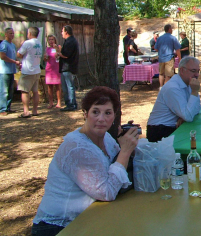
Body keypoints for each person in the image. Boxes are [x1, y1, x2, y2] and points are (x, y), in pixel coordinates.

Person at [31, 86, 139, 236]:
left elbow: (117, 170)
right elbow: (106, 192)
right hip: (58, 227)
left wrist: (128, 148)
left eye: (107, 113)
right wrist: (125, 151)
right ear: (85, 114)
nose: (101, 119)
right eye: (95, 112)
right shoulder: (76, 147)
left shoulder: (106, 138)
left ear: (114, 116)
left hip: (90, 218)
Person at [146, 56, 201, 142]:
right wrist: (195, 91)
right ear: (182, 70)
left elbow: (197, 108)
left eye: (198, 71)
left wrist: (183, 117)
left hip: (172, 127)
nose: (197, 74)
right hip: (159, 131)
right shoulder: (172, 88)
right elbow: (189, 116)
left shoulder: (189, 83)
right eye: (193, 71)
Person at [17, 27, 43, 118]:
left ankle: (26, 111)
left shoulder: (27, 43)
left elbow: (19, 54)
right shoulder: (39, 43)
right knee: (35, 91)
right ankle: (35, 110)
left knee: (24, 91)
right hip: (36, 70)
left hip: (28, 70)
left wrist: (21, 45)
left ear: (30, 34)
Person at [57, 25, 79, 111]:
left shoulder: (70, 41)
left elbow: (66, 55)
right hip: (66, 67)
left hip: (68, 67)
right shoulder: (70, 41)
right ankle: (69, 103)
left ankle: (71, 104)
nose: (61, 33)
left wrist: (58, 53)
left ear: (66, 32)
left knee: (69, 87)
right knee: (66, 87)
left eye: (62, 31)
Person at [0, 28, 20, 116]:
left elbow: (14, 56)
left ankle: (8, 107)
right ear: (6, 34)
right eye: (10, 33)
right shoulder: (4, 44)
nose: (12, 35)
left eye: (13, 33)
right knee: (4, 91)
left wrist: (17, 63)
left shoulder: (13, 45)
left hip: (11, 70)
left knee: (10, 90)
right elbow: (2, 56)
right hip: (4, 71)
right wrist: (14, 62)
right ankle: (2, 109)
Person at [43, 34, 62, 109]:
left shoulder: (59, 47)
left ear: (55, 40)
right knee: (49, 86)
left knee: (58, 86)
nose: (51, 41)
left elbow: (59, 56)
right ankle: (51, 102)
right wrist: (45, 57)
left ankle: (59, 102)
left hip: (56, 68)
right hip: (49, 68)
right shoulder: (47, 49)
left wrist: (56, 48)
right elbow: (45, 59)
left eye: (52, 39)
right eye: (49, 40)